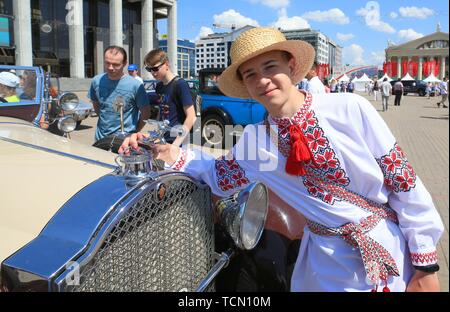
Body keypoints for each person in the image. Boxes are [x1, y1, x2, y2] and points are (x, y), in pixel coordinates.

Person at [119, 27, 443, 292]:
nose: (262, 80)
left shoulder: (349, 108)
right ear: (245, 86)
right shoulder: (254, 141)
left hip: (387, 254)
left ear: (290, 65)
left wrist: (425, 262)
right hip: (326, 270)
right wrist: (160, 150)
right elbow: (214, 173)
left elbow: (402, 181)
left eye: (270, 66)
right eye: (250, 75)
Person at [88, 46, 150, 142]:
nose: (110, 67)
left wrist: (135, 132)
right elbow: (96, 105)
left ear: (124, 63)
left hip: (124, 142)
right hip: (100, 140)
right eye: (107, 63)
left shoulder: (136, 85)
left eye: (116, 64)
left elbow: (145, 113)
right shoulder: (96, 81)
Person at [143, 48, 197, 146]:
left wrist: (176, 144)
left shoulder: (180, 84)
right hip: (163, 139)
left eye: (155, 68)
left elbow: (191, 116)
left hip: (177, 142)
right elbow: (162, 112)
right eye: (149, 69)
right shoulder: (159, 86)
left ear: (166, 64)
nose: (153, 73)